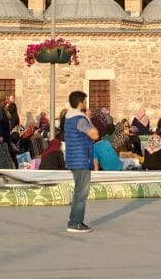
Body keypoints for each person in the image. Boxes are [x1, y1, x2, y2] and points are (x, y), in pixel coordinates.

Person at [63, 90, 99, 233]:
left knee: (78, 191)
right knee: (82, 192)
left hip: (73, 158)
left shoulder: (68, 118)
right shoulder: (80, 119)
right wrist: (88, 118)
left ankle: (74, 220)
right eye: (85, 101)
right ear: (80, 103)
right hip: (81, 158)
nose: (86, 104)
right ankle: (75, 223)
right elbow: (95, 135)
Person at [0, 95, 15, 169]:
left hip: (4, 136)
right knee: (3, 154)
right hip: (2, 137)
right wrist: (0, 135)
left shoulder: (1, 109)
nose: (6, 102)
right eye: (5, 100)